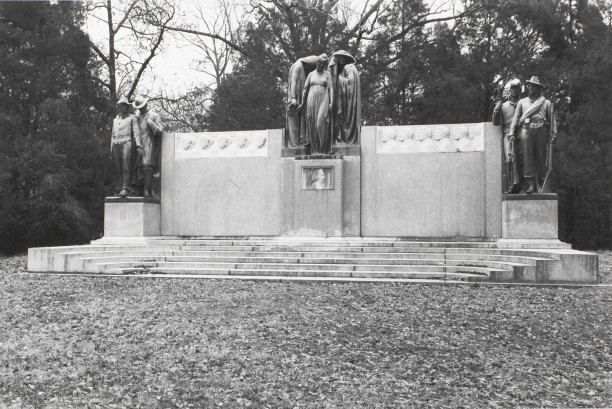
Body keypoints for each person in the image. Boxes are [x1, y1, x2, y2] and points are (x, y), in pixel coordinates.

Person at [510, 76, 557, 194]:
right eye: (529, 85)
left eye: (533, 86)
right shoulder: (522, 102)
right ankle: (530, 183)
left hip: (542, 129)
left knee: (541, 157)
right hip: (526, 129)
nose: (530, 87)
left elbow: (552, 118)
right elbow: (516, 118)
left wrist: (554, 132)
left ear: (538, 88)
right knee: (527, 157)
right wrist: (511, 132)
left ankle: (541, 182)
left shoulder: (546, 102)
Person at [298, 54, 334, 155]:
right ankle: (315, 150)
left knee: (319, 124)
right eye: (320, 63)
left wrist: (332, 101)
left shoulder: (327, 74)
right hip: (311, 98)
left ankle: (322, 149)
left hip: (324, 98)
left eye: (323, 64)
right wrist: (302, 103)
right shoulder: (310, 75)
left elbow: (331, 88)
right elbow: (305, 89)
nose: (321, 66)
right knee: (312, 124)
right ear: (317, 63)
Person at [492, 78, 522, 194]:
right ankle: (511, 185)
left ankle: (523, 185)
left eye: (516, 88)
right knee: (509, 159)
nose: (514, 91)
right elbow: (495, 122)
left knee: (522, 160)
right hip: (508, 135)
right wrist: (496, 110)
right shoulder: (504, 105)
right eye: (512, 88)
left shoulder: (523, 103)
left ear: (520, 90)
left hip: (521, 135)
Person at [133, 96, 164, 197]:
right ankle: (137, 188)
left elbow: (160, 131)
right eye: (139, 108)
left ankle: (147, 189)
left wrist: (150, 122)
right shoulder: (136, 117)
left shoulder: (154, 115)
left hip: (149, 142)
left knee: (147, 165)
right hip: (137, 142)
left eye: (142, 106)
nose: (141, 109)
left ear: (146, 104)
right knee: (136, 167)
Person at [110, 96, 141, 197]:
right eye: (122, 105)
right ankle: (120, 187)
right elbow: (112, 134)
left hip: (126, 142)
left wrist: (138, 144)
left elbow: (136, 132)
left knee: (126, 166)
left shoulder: (132, 118)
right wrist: (111, 148)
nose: (124, 107)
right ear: (119, 106)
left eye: (126, 105)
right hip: (116, 142)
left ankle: (125, 188)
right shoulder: (115, 120)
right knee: (118, 167)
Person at [286, 55, 318, 148]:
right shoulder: (298, 66)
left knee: (301, 118)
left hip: (300, 97)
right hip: (296, 98)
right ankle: (295, 142)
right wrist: (293, 98)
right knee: (295, 120)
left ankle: (301, 140)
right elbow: (293, 82)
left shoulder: (302, 67)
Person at [330, 50, 361, 145]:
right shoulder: (344, 69)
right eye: (339, 57)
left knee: (346, 119)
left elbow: (350, 82)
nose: (341, 59)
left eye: (343, 57)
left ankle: (345, 138)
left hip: (349, 101)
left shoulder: (349, 67)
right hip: (347, 99)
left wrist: (336, 78)